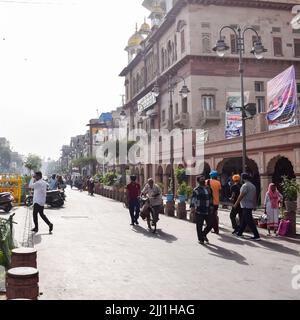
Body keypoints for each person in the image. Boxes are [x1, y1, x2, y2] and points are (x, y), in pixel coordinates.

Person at [234, 173, 261, 241]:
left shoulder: (245, 186)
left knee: (249, 221)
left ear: (243, 179)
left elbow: (241, 195)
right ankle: (239, 233)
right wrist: (254, 205)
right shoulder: (253, 186)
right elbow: (255, 197)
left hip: (245, 205)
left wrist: (236, 203)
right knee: (244, 220)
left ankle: (256, 235)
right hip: (250, 205)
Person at [190, 175, 213, 245]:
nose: (203, 180)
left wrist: (212, 206)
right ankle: (201, 239)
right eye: (201, 179)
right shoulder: (196, 190)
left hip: (208, 209)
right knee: (199, 225)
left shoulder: (208, 188)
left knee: (210, 224)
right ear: (198, 181)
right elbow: (193, 199)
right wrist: (192, 208)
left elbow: (211, 197)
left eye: (204, 179)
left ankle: (203, 234)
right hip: (199, 210)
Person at [206, 170, 222, 235]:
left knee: (210, 216)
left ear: (211, 176)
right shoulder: (218, 183)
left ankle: (213, 228)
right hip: (216, 202)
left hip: (209, 202)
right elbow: (220, 192)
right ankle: (215, 229)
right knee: (214, 215)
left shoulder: (207, 181)